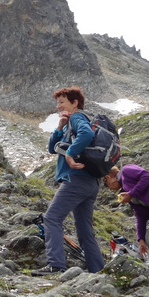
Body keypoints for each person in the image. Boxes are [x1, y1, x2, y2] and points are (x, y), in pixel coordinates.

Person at [32, 86, 105, 276]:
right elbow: (52, 148)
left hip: (76, 179)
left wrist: (71, 154)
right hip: (90, 182)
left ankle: (56, 265)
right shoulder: (69, 123)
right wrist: (60, 127)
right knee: (85, 230)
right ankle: (98, 271)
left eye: (62, 102)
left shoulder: (77, 117)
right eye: (57, 103)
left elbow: (87, 134)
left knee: (51, 218)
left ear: (74, 103)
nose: (58, 106)